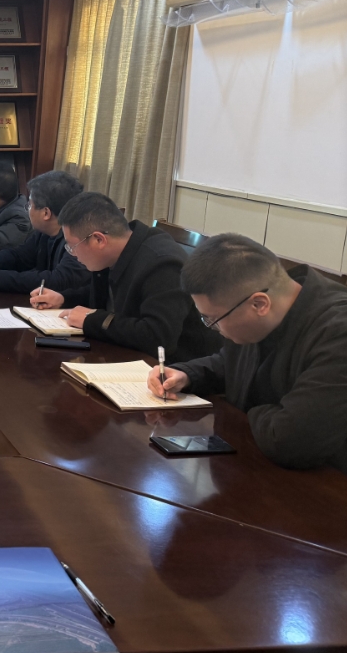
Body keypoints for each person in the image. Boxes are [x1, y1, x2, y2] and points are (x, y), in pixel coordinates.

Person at [147, 234, 347, 472]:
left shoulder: (338, 333)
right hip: (249, 462)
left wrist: (250, 409)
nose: (212, 328)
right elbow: (231, 363)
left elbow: (289, 441)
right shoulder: (261, 311)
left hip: (321, 482)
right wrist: (187, 374)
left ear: (259, 304)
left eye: (212, 319)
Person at [29, 191, 220, 360]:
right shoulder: (116, 251)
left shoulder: (162, 264)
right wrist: (64, 298)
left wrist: (92, 320)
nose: (72, 254)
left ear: (98, 240)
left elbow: (158, 338)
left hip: (173, 371)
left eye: (72, 246)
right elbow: (110, 295)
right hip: (125, 353)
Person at [0, 170, 89, 293]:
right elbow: (18, 256)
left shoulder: (78, 239)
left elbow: (57, 280)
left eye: (29, 205)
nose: (27, 209)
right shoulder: (44, 232)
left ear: (46, 213)